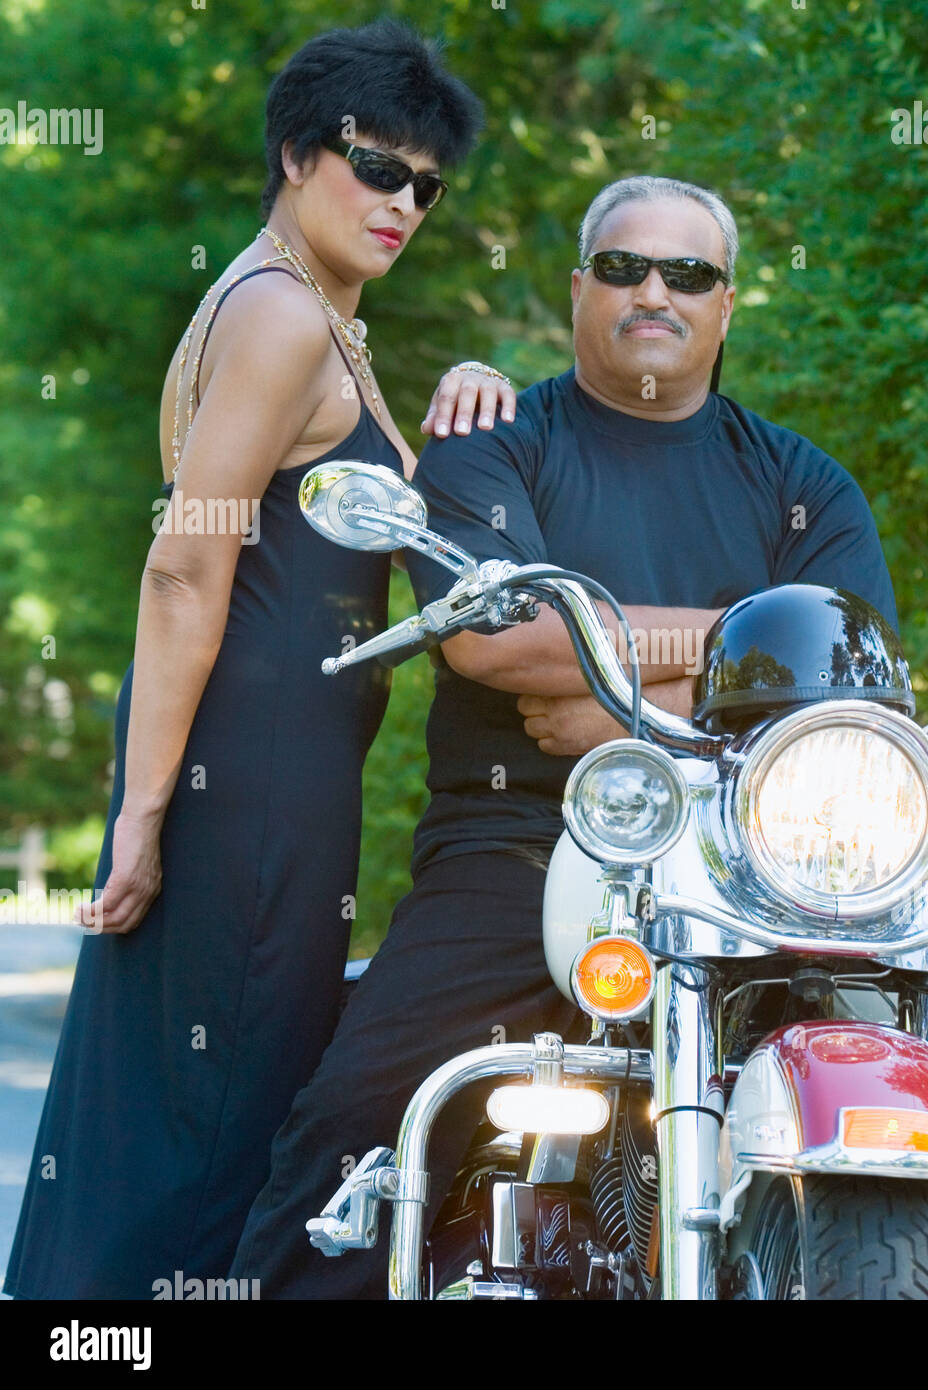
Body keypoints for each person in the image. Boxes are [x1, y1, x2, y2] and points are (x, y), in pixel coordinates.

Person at [228, 175, 928, 1300]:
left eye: (687, 273)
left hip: (758, 873)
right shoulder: (491, 444)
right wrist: (747, 641)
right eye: (623, 267)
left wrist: (614, 701)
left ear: (725, 304)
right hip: (522, 849)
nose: (654, 292)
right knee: (363, 1114)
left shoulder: (806, 485)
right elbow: (495, 639)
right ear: (577, 289)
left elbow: (851, 688)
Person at [3, 19, 513, 1301]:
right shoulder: (284, 315)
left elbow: (401, 514)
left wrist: (467, 387)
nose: (402, 205)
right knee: (216, 1105)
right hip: (249, 772)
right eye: (376, 168)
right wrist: (146, 810)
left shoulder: (305, 314)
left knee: (194, 1095)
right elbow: (186, 565)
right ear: (296, 154)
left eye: (425, 186)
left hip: (270, 765)